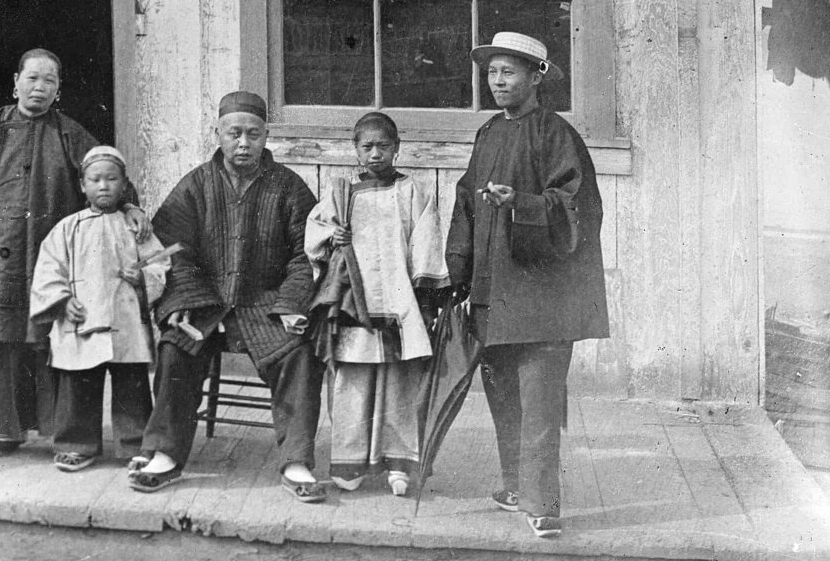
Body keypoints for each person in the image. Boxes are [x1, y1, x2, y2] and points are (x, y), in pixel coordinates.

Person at [0, 48, 149, 457]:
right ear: (16, 82)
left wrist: (129, 206)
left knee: (48, 338)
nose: (39, 87)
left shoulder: (70, 134)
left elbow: (106, 180)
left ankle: (54, 428)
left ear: (58, 90)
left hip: (53, 257)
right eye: (32, 78)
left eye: (49, 81)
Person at [445, 32, 610, 539]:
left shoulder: (556, 134)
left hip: (542, 294)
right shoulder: (488, 133)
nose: (498, 82)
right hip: (494, 288)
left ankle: (543, 504)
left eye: (509, 72)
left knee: (539, 399)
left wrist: (523, 202)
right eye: (492, 72)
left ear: (536, 77)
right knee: (502, 395)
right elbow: (466, 204)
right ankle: (515, 485)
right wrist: (457, 272)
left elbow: (579, 207)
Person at [129, 91, 328, 503]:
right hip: (205, 304)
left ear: (266, 135)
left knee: (299, 354)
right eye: (234, 133)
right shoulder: (196, 184)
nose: (243, 143)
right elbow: (172, 248)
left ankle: (296, 461)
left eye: (253, 134)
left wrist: (291, 305)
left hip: (265, 305)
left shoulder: (288, 186)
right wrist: (189, 301)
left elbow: (305, 254)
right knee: (175, 348)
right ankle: (165, 454)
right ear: (217, 133)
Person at [305, 111, 448, 497]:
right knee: (352, 384)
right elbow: (314, 235)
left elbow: (426, 241)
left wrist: (426, 296)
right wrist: (331, 237)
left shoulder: (413, 192)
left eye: (383, 146)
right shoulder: (343, 193)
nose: (374, 154)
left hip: (399, 305)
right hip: (355, 302)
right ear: (355, 149)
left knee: (399, 385)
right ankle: (349, 463)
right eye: (366, 147)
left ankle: (399, 464)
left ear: (397, 148)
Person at [30, 146, 169, 472]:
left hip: (124, 319)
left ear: (124, 185)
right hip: (80, 320)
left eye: (112, 179)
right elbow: (49, 269)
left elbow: (160, 263)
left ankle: (135, 443)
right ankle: (76, 444)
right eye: (95, 179)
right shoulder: (68, 228)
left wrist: (142, 278)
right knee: (78, 384)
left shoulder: (135, 227)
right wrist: (63, 301)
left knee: (130, 384)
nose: (104, 186)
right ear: (83, 185)